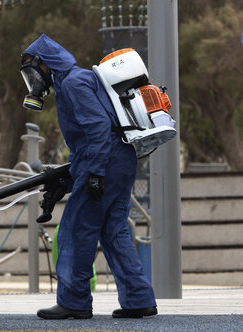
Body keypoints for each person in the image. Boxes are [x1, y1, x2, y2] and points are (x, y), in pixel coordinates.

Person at [20, 34, 157, 319]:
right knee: (113, 230)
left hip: (105, 161)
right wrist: (72, 176)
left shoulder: (72, 82)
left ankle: (74, 301)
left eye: (33, 70)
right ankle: (138, 299)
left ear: (45, 65)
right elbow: (89, 138)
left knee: (75, 230)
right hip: (120, 158)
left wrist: (94, 173)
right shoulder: (80, 79)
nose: (33, 79)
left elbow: (96, 128)